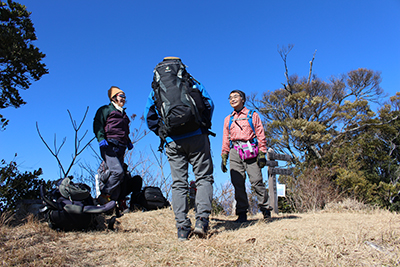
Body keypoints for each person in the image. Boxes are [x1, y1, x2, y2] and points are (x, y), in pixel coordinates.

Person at [145, 56, 214, 241]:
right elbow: (209, 103)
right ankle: (201, 220)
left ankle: (182, 228)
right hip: (197, 136)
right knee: (203, 177)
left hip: (173, 140)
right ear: (181, 67)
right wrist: (203, 124)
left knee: (179, 183)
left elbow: (148, 116)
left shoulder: (157, 89)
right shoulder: (191, 81)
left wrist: (163, 133)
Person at [221, 89, 272, 223]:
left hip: (250, 150)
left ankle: (266, 210)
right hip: (234, 151)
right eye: (230, 97)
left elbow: (260, 134)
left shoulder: (252, 115)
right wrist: (224, 155)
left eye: (236, 96)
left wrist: (262, 153)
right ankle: (242, 213)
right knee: (237, 182)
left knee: (256, 181)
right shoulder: (228, 119)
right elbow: (226, 138)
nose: (232, 99)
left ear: (243, 99)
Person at [93, 86, 134, 211]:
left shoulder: (123, 114)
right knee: (117, 172)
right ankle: (104, 195)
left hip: (121, 146)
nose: (123, 99)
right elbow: (97, 123)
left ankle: (111, 205)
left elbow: (124, 130)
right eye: (121, 96)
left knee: (120, 177)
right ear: (114, 97)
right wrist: (101, 139)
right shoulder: (105, 109)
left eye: (124, 97)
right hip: (109, 144)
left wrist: (128, 142)